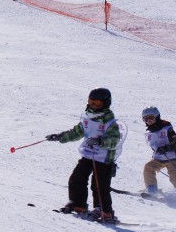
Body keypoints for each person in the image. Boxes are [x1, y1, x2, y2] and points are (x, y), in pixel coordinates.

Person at [45, 88, 122, 222]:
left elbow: (114, 140)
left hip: (104, 158)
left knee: (99, 184)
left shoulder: (110, 123)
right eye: (91, 103)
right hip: (88, 155)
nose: (93, 106)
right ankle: (78, 204)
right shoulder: (87, 118)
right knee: (76, 179)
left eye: (97, 104)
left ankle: (104, 210)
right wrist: (60, 137)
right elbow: (76, 133)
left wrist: (100, 141)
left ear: (105, 104)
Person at [141, 106, 176, 200]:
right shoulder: (149, 133)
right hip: (158, 158)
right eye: (145, 119)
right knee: (148, 168)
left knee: (174, 175)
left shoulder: (167, 128)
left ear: (157, 116)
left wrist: (167, 148)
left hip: (171, 158)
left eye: (151, 117)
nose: (148, 121)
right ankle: (152, 190)